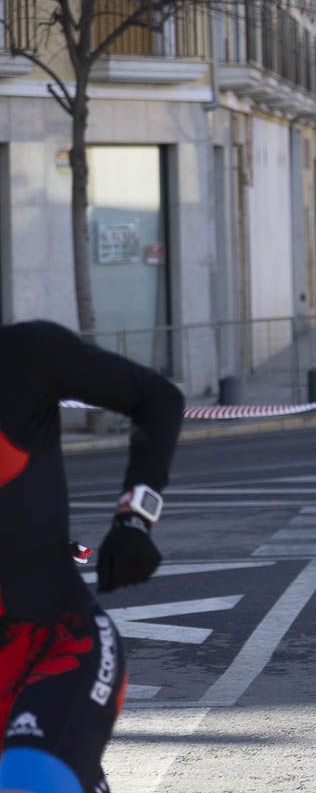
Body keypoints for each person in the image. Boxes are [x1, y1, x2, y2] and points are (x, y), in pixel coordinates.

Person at [0, 320, 184, 792]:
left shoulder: (22, 355)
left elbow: (157, 397)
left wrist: (134, 518)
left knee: (29, 780)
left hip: (58, 646)